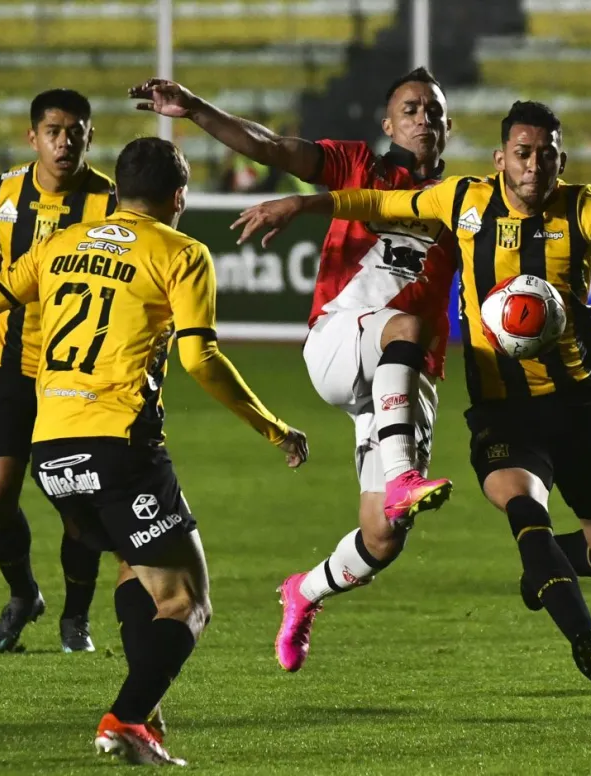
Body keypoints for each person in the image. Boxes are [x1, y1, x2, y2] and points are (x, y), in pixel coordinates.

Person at [232, 100, 591, 701]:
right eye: (522, 153)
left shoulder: (583, 209)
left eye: (545, 154)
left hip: (576, 405)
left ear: (560, 159)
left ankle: (546, 571)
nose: (533, 165)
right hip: (500, 411)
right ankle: (587, 640)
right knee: (525, 513)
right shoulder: (463, 200)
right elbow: (378, 203)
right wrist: (301, 203)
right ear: (500, 159)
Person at [0, 136, 309, 766]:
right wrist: (273, 427)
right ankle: (126, 718)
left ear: (117, 191)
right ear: (180, 198)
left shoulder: (58, 246)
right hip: (121, 445)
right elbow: (199, 356)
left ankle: (143, 714)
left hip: (52, 449)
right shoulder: (182, 253)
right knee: (188, 601)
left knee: (134, 569)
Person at [131, 67, 457, 672]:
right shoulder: (360, 165)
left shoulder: (460, 202)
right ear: (389, 123)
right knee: (403, 324)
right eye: (411, 108)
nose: (423, 119)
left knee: (384, 538)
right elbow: (273, 148)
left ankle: (303, 593)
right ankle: (404, 476)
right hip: (340, 339)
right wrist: (197, 108)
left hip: (406, 378)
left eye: (434, 112)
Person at [0, 89, 116, 654]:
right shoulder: (0, 192)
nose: (65, 140)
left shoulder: (108, 201)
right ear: (33, 137)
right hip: (10, 363)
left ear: (90, 136)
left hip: (74, 376)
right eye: (54, 130)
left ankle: (76, 617)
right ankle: (24, 595)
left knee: (76, 502)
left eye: (76, 130)